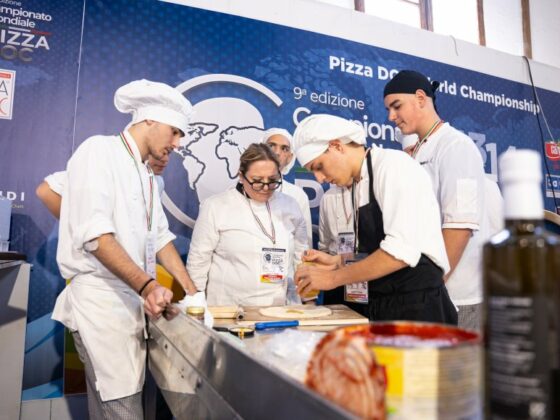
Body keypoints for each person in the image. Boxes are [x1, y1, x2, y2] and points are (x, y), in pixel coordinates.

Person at [51, 79, 204, 420]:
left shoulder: (147, 175)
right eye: (175, 132)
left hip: (134, 302)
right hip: (102, 303)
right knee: (121, 407)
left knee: (136, 401)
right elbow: (95, 237)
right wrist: (148, 286)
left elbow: (160, 238)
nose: (178, 144)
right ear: (149, 120)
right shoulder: (98, 151)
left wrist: (194, 293)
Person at [293, 114, 457, 325]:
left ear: (336, 146)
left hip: (417, 306)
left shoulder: (394, 166)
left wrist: (333, 278)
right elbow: (376, 249)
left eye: (319, 167)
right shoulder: (358, 182)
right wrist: (338, 261)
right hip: (382, 305)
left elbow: (401, 251)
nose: (320, 178)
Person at [384, 69, 489, 331]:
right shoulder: (418, 150)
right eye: (388, 109)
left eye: (396, 106)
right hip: (425, 290)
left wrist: (431, 285)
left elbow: (460, 226)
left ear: (421, 98)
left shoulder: (456, 146)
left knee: (455, 360)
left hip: (454, 295)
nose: (391, 117)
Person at [187, 143, 308, 306]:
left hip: (281, 308)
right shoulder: (216, 206)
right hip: (229, 309)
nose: (266, 187)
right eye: (257, 181)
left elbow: (301, 257)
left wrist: (307, 300)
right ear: (241, 176)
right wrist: (195, 305)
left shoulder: (290, 205)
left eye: (273, 180)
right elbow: (198, 262)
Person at [36, 154, 169, 220]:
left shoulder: (157, 182)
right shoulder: (111, 170)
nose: (165, 160)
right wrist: (79, 228)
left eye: (168, 153)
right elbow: (45, 191)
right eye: (160, 154)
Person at [262, 128, 313, 246]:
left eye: (284, 148)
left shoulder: (298, 195)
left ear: (290, 158)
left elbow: (305, 243)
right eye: (271, 146)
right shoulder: (243, 189)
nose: (277, 152)